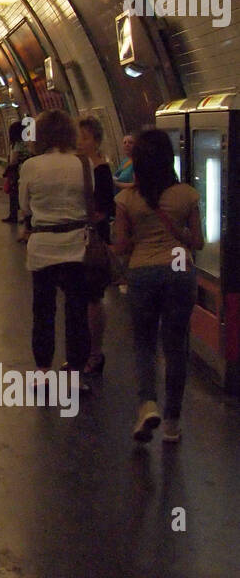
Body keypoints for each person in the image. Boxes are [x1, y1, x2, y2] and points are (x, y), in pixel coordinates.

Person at [112, 127, 203, 445]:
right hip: (178, 266)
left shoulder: (126, 199)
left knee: (144, 344)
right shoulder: (187, 195)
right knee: (176, 346)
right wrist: (176, 232)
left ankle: (147, 405)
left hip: (143, 270)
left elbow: (121, 246)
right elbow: (197, 242)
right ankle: (172, 423)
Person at [18, 109, 92, 390]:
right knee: (77, 311)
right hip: (77, 245)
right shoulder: (82, 163)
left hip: (43, 246)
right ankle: (76, 376)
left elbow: (25, 207)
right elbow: (92, 201)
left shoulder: (31, 166)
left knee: (43, 310)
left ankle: (43, 373)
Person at [76, 116, 115, 373]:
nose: (80, 143)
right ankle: (81, 351)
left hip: (93, 240)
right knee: (79, 298)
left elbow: (105, 208)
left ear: (96, 141)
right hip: (77, 239)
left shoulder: (100, 170)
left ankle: (95, 352)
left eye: (85, 138)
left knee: (92, 297)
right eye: (77, 137)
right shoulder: (76, 168)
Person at [2, 118, 33, 223]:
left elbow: (14, 160)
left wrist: (8, 167)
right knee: (27, 194)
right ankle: (26, 217)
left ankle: (14, 215)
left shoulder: (17, 144)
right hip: (28, 169)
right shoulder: (28, 142)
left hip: (18, 171)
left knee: (14, 194)